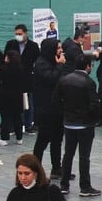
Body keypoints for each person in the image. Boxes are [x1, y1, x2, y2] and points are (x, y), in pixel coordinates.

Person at [53, 54, 102, 196]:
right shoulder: (89, 82)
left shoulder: (64, 80)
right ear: (88, 66)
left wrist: (65, 113)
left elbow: (56, 99)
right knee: (84, 156)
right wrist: (93, 119)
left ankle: (64, 184)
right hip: (85, 124)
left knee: (68, 154)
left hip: (69, 123)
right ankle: (85, 187)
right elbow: (94, 104)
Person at [0, 153, 76, 201]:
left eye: (27, 173)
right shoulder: (15, 193)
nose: (23, 177)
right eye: (20, 173)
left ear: (36, 173)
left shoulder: (51, 191)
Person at [32, 38, 65, 179]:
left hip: (56, 108)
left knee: (57, 139)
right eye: (58, 48)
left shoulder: (52, 62)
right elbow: (51, 79)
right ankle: (34, 167)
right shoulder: (41, 64)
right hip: (45, 109)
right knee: (43, 140)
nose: (60, 51)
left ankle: (56, 168)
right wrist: (59, 66)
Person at [3, 23, 40, 134]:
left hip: (28, 77)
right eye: (16, 34)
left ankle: (29, 125)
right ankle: (15, 127)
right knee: (15, 103)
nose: (18, 36)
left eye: (20, 34)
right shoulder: (10, 44)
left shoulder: (33, 46)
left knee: (29, 102)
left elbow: (37, 60)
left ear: (25, 33)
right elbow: (5, 60)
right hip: (13, 78)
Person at [0, 48, 25, 145]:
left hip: (6, 95)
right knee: (17, 117)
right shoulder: (21, 68)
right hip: (18, 95)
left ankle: (4, 138)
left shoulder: (4, 68)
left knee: (6, 117)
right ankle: (19, 138)